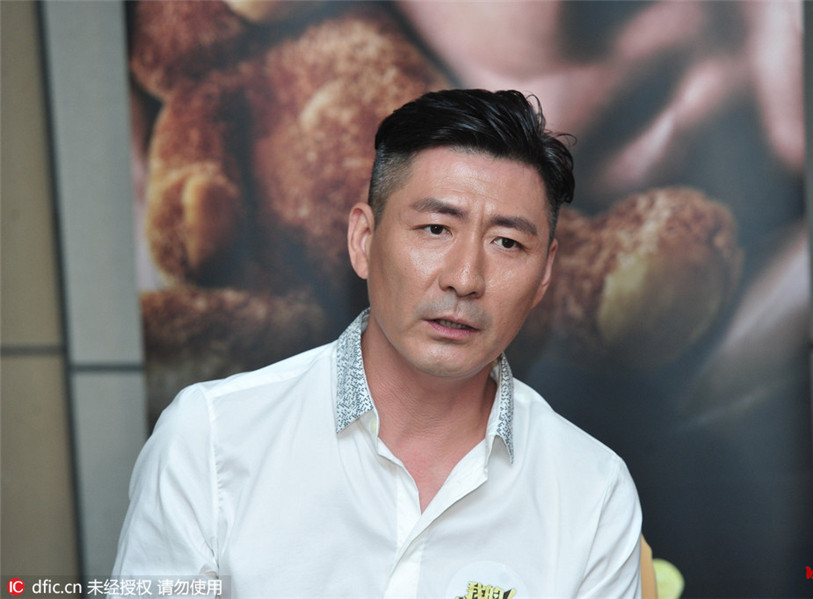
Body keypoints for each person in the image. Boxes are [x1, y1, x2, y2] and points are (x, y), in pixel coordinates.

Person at [112, 89, 643, 598]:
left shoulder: (591, 490)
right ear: (363, 240)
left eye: (507, 242)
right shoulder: (212, 439)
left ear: (545, 274)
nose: (464, 278)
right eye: (435, 229)